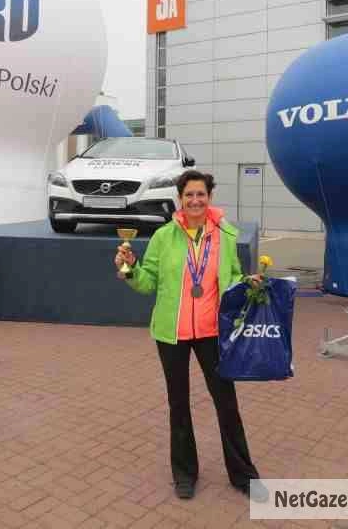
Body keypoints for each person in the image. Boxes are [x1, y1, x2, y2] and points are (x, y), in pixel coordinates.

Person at [115, 169, 266, 502]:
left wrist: (247, 283)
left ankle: (243, 475)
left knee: (226, 402)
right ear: (179, 199)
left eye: (201, 194)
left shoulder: (225, 235)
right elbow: (147, 281)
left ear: (209, 197)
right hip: (172, 333)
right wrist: (129, 268)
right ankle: (184, 473)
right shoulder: (163, 237)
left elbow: (232, 277)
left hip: (212, 331)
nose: (195, 200)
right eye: (189, 195)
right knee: (178, 403)